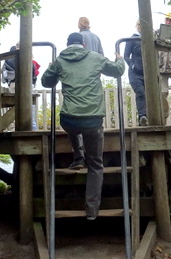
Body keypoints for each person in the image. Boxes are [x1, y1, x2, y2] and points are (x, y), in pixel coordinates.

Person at [41, 32, 125, 220]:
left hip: (69, 119)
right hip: (92, 119)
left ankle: (78, 156)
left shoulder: (59, 60)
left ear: (67, 44)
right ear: (84, 44)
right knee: (95, 164)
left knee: (73, 123)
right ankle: (92, 210)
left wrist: (50, 69)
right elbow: (117, 71)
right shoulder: (95, 57)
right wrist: (120, 60)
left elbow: (47, 82)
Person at [2, 44, 41, 130]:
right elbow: (33, 74)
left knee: (15, 105)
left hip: (13, 83)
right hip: (26, 84)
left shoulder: (9, 58)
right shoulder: (26, 59)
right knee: (29, 106)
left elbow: (4, 75)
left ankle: (14, 128)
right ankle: (32, 128)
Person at [123, 19, 147, 126]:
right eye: (139, 25)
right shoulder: (132, 39)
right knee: (141, 92)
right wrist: (132, 65)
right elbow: (126, 55)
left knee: (150, 95)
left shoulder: (149, 39)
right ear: (136, 26)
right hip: (135, 73)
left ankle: (149, 117)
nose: (140, 27)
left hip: (148, 72)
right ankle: (142, 116)